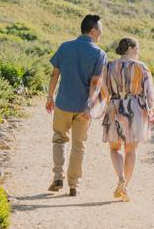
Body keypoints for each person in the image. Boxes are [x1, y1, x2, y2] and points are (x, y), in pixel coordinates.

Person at [45, 14, 107, 196]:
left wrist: (50, 97)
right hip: (83, 108)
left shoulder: (65, 47)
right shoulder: (99, 53)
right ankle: (74, 185)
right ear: (93, 30)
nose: (102, 32)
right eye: (100, 28)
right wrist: (89, 104)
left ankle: (58, 176)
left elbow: (54, 74)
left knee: (59, 139)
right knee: (79, 145)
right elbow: (96, 82)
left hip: (63, 103)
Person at [102, 37, 154, 202]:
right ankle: (126, 188)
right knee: (131, 150)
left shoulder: (109, 66)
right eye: (137, 48)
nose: (139, 51)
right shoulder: (142, 67)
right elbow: (149, 93)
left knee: (114, 148)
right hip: (135, 108)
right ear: (131, 48)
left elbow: (104, 91)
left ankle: (120, 178)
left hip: (115, 106)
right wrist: (152, 111)